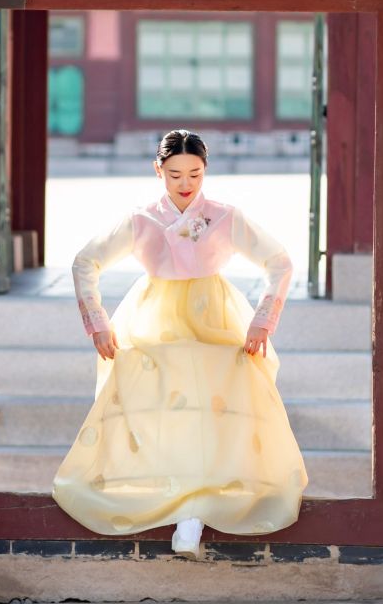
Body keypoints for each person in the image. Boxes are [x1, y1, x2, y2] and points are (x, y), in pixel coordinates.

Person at [51, 129, 308, 560]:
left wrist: (263, 320)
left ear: (206, 171)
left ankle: (194, 513)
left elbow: (278, 261)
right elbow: (85, 262)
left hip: (216, 318)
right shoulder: (141, 219)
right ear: (158, 171)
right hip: (154, 317)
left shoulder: (225, 216)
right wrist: (97, 322)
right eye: (174, 175)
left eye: (195, 174)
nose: (185, 184)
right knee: (164, 412)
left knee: (212, 414)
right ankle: (178, 504)